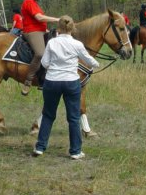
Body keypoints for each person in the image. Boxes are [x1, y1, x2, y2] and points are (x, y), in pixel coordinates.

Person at [32, 15, 99, 160]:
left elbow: (44, 63)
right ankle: (75, 151)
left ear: (59, 28)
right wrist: (96, 64)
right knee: (73, 118)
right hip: (71, 83)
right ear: (72, 28)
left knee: (48, 115)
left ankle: (40, 147)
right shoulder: (77, 44)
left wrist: (54, 68)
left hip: (52, 82)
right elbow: (90, 61)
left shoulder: (52, 43)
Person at [20, 0, 59, 96]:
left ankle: (48, 77)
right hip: (32, 31)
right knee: (40, 54)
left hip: (41, 31)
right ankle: (28, 81)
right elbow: (39, 18)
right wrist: (58, 19)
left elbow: (40, 21)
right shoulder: (29, 2)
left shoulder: (35, 3)